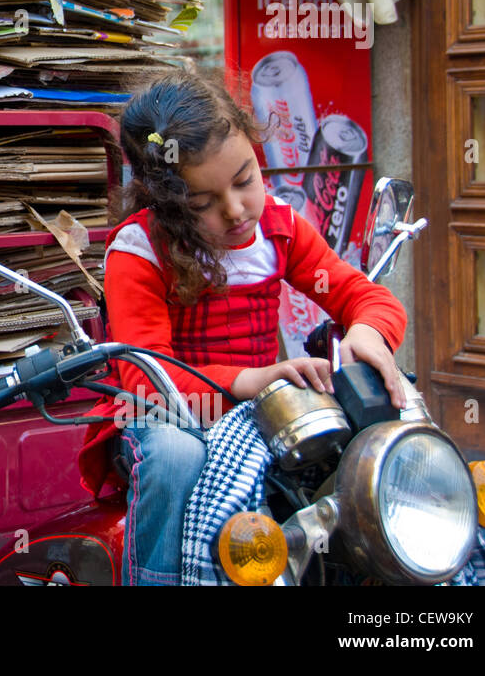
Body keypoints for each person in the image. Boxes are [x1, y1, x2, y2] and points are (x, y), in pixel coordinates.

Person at [76, 68, 407, 585]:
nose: (235, 211)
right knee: (176, 456)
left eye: (245, 180)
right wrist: (248, 380)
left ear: (256, 149)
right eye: (202, 204)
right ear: (165, 201)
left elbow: (361, 295)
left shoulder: (281, 228)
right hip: (159, 417)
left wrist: (368, 331)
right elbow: (145, 378)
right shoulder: (139, 251)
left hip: (266, 410)